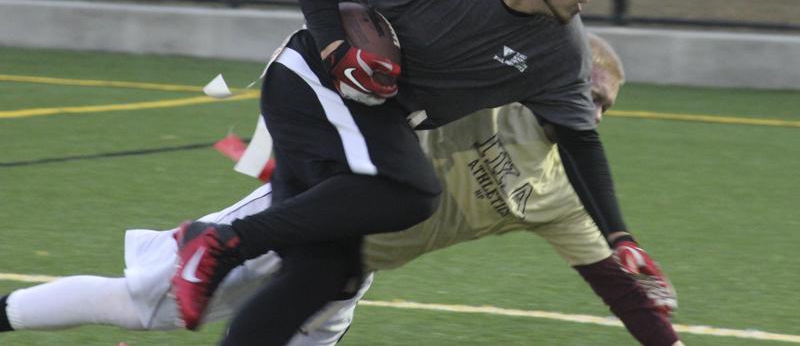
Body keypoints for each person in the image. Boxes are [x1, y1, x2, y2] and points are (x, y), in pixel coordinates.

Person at [171, 0, 666, 346]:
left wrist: (620, 238)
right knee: (414, 193)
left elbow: (581, 142)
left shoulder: (560, 51)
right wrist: (334, 46)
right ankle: (221, 242)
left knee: (324, 270)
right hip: (311, 80)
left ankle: (218, 245)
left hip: (370, 118)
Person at [0, 33, 682, 345]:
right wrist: (273, 155)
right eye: (588, 92)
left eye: (606, 107)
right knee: (142, 308)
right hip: (300, 217)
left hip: (349, 272)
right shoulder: (483, 98)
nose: (592, 111)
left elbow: (616, 283)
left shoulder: (564, 192)